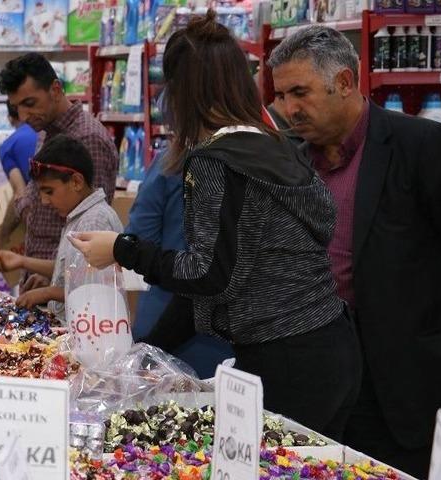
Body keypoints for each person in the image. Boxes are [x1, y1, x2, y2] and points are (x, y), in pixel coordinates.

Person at [68, 11, 362, 441]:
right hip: (333, 348)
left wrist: (122, 249)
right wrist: (143, 355)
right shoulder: (275, 146)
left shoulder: (215, 161)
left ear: (180, 91)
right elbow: (230, 269)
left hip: (284, 359)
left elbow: (209, 273)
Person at [269, 26, 441, 478]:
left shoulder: (422, 147)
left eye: (300, 92)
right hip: (319, 380)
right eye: (281, 95)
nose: (289, 109)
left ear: (344, 82)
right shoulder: (292, 163)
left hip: (404, 386)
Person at [0, 53, 118, 293]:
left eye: (30, 103)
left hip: (67, 292)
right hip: (40, 281)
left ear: (55, 89)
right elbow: (31, 199)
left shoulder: (88, 140)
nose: (23, 116)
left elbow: (93, 231)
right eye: (17, 108)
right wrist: (4, 235)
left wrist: (56, 280)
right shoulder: (45, 132)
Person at [0, 134, 122, 320]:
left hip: (92, 336)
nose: (44, 201)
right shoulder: (78, 217)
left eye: (49, 191)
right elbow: (76, 269)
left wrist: (48, 293)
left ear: (76, 182)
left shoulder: (94, 221)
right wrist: (25, 263)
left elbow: (92, 290)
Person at [125, 148, 233, 378]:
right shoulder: (252, 162)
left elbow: (141, 235)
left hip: (163, 322)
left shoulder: (171, 161)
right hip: (223, 336)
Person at [0, 100, 38, 199]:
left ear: (10, 118)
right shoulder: (45, 132)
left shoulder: (7, 147)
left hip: (37, 207)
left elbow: (20, 192)